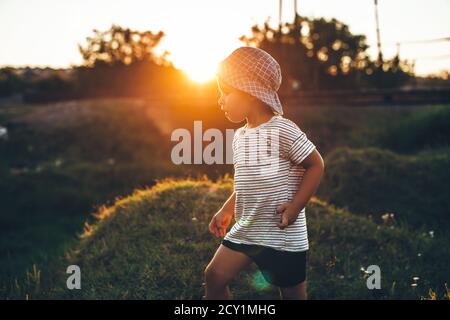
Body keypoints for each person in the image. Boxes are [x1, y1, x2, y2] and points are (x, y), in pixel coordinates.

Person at [204, 46, 325, 300]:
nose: (220, 100)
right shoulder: (240, 136)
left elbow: (316, 165)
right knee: (214, 276)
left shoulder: (283, 130)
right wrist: (227, 209)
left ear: (249, 92)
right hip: (248, 230)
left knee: (292, 296)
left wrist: (295, 207)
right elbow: (249, 182)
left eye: (225, 92)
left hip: (282, 237)